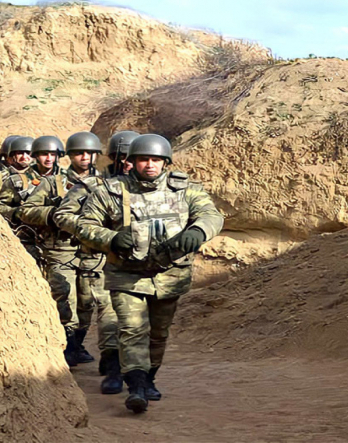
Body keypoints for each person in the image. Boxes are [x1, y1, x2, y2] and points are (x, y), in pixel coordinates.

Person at [76, 134, 224, 413]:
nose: (150, 164)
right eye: (143, 159)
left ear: (165, 162)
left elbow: (211, 215)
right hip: (126, 275)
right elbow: (84, 224)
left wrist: (198, 231)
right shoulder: (111, 190)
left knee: (158, 333)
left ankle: (150, 378)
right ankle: (137, 386)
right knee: (132, 329)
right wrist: (111, 238)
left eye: (156, 159)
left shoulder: (184, 189)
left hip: (170, 275)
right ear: (131, 162)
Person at [54, 130, 140, 394]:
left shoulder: (150, 189)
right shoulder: (92, 185)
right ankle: (112, 366)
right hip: (97, 261)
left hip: (137, 264)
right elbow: (62, 216)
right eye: (120, 157)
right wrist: (96, 231)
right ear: (112, 157)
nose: (126, 162)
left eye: (131, 157)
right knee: (106, 314)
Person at [18, 131, 102, 366]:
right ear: (70, 156)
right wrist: (54, 214)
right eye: (78, 153)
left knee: (88, 302)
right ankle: (67, 346)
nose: (84, 157)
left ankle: (77, 343)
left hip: (92, 251)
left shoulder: (105, 183)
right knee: (65, 298)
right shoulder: (52, 182)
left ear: (96, 155)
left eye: (89, 153)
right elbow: (27, 210)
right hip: (60, 249)